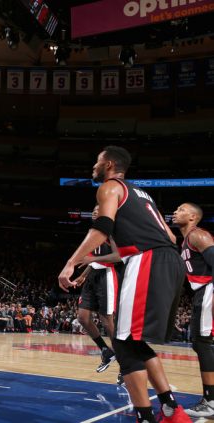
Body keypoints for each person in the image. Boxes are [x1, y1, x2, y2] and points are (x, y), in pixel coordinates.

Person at [58, 146, 189, 423]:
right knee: (134, 341)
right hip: (169, 262)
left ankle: (145, 417)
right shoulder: (143, 195)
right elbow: (171, 236)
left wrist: (71, 262)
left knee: (123, 343)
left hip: (148, 261)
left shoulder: (110, 187)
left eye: (97, 160)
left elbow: (101, 227)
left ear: (108, 164)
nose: (93, 164)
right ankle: (170, 409)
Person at [172, 203, 214, 418]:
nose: (175, 211)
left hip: (209, 290)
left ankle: (211, 401)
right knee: (201, 343)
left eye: (181, 209)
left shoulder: (199, 235)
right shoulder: (185, 241)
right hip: (201, 292)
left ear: (193, 217)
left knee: (202, 342)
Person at [71, 205, 122, 379]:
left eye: (98, 209)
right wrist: (83, 275)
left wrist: (92, 260)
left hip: (106, 276)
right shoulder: (94, 232)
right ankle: (106, 350)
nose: (94, 211)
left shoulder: (111, 231)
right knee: (82, 317)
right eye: (93, 209)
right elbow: (92, 260)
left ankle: (125, 364)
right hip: (92, 276)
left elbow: (117, 257)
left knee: (107, 320)